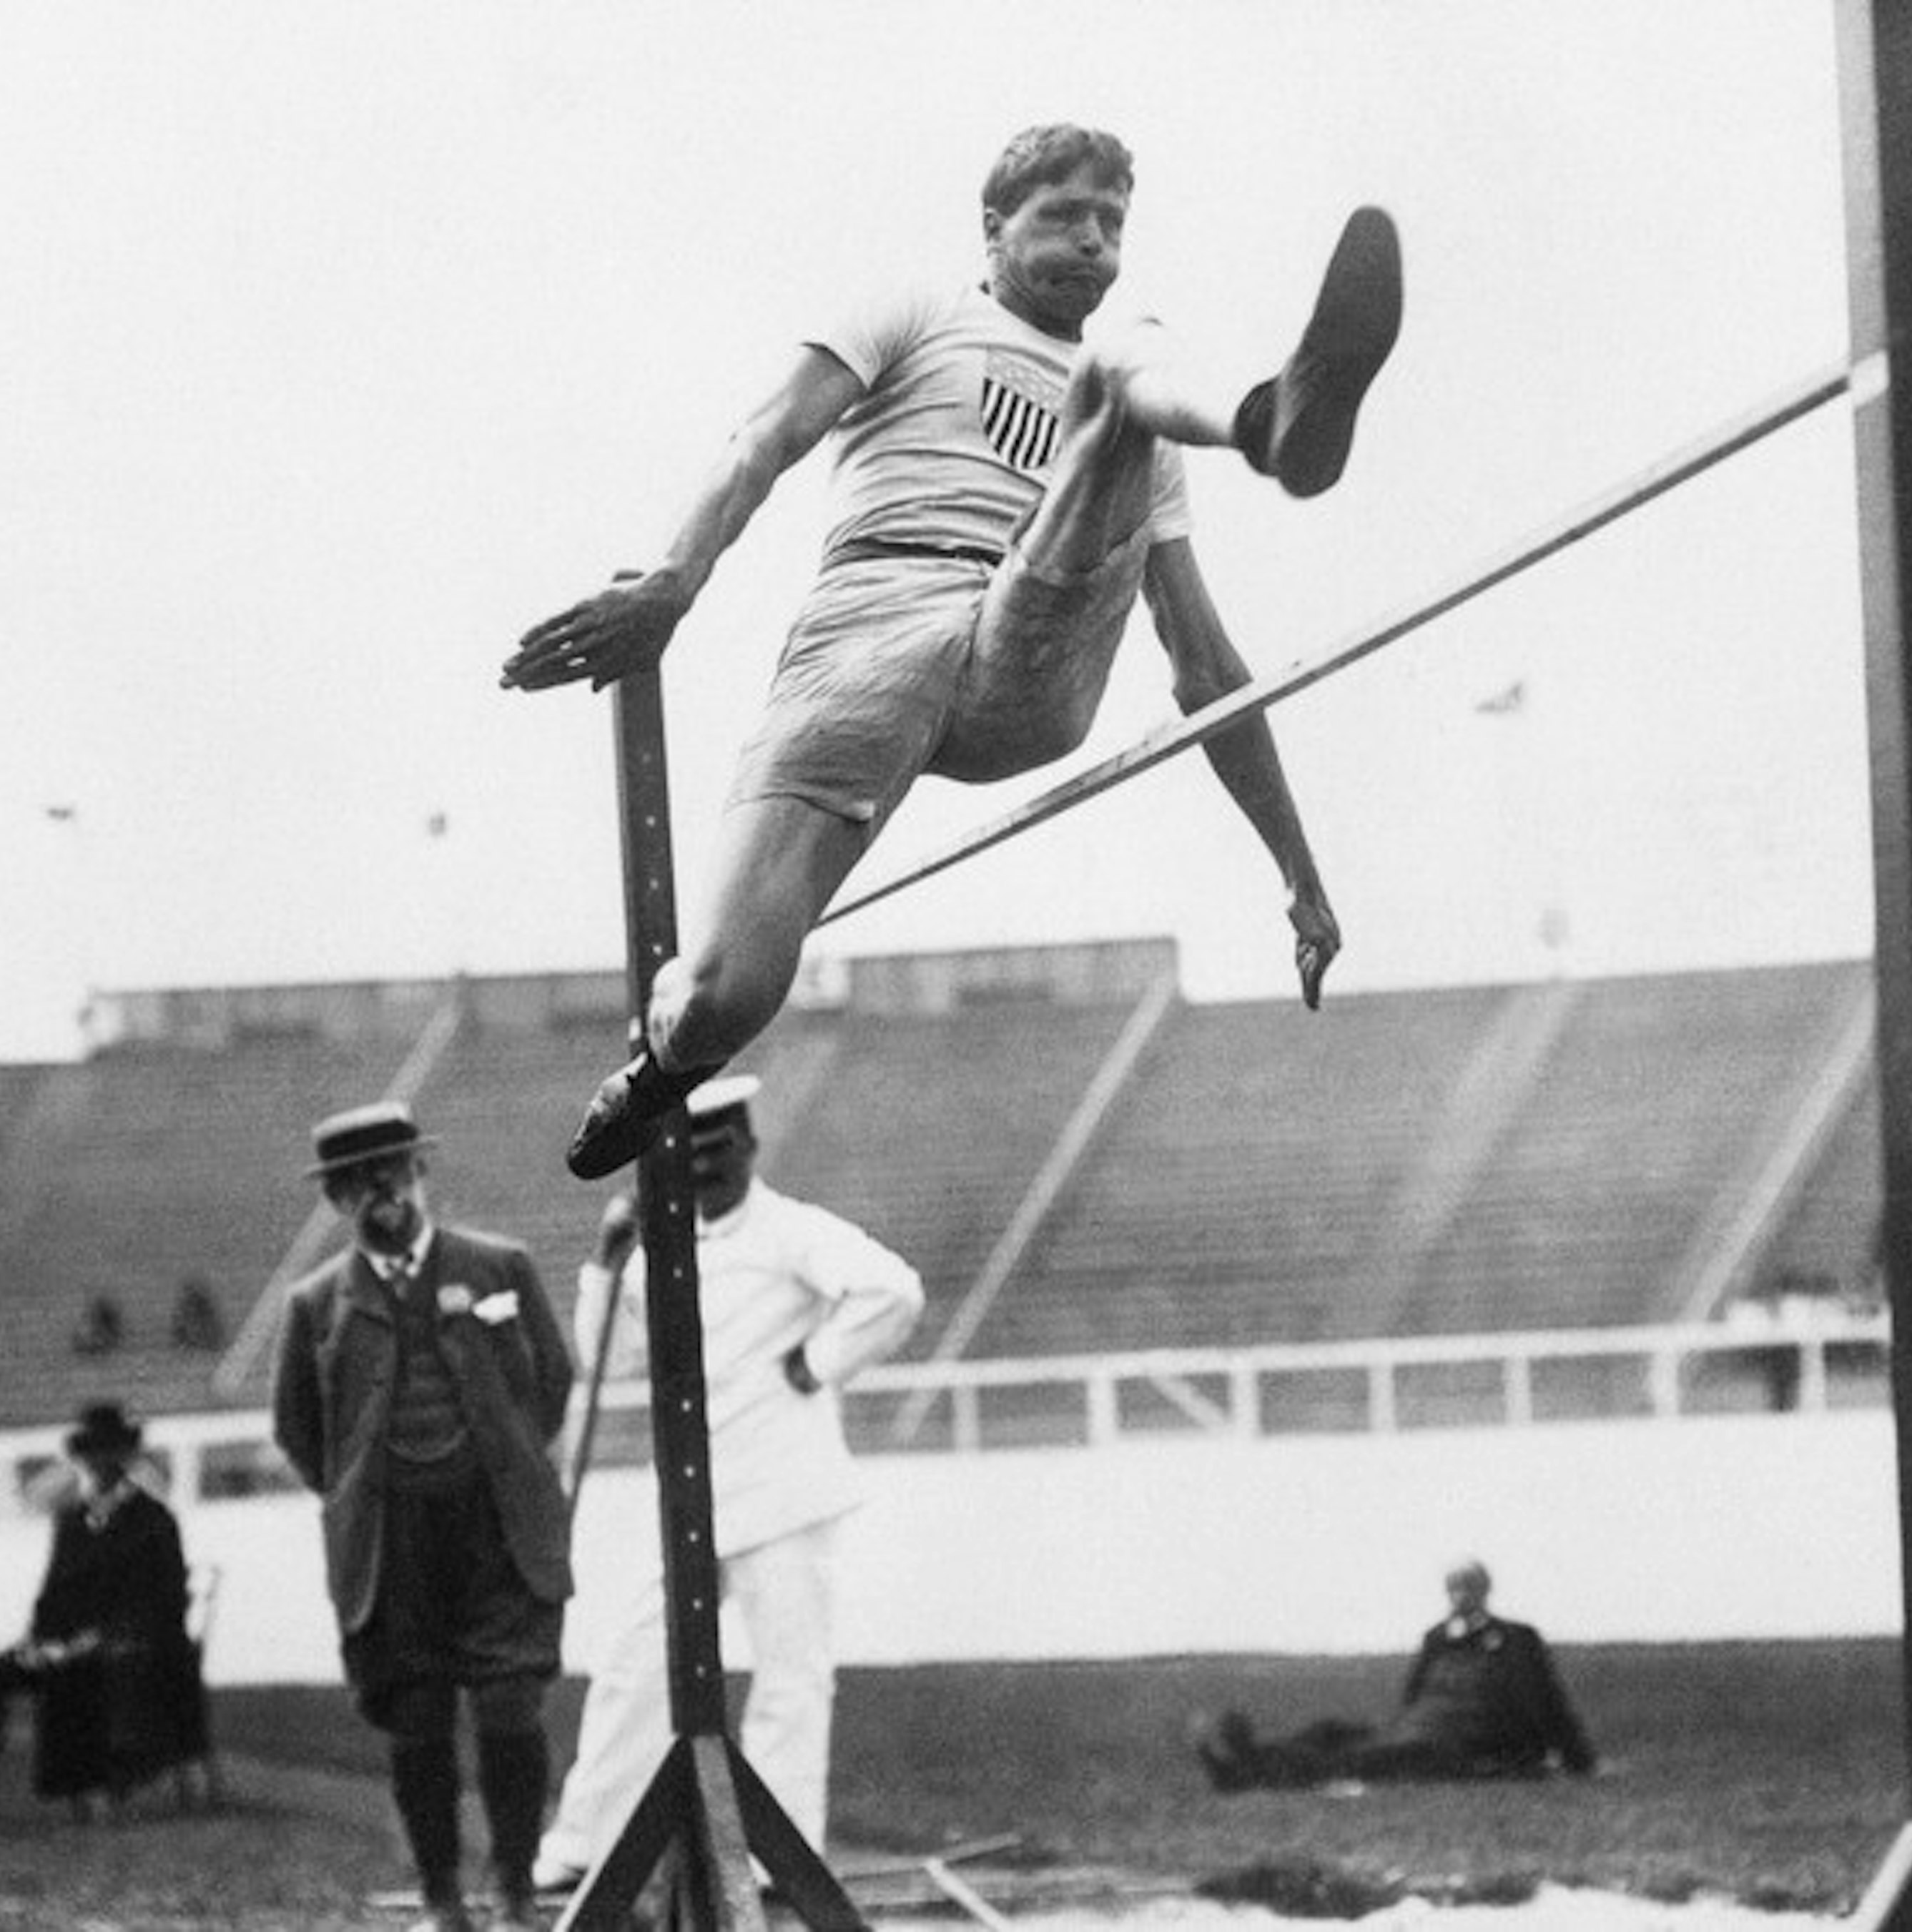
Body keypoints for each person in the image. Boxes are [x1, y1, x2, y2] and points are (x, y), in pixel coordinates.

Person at [501, 123, 1402, 1178]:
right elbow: (764, 442)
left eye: (1112, 223)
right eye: (1065, 216)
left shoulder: (1134, 408)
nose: (1094, 244)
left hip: (1028, 638)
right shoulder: (918, 313)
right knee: (717, 998)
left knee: (1122, 360)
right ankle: (659, 1071)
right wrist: (673, 583)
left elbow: (1204, 665)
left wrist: (1295, 866)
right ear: (993, 227)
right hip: (870, 626)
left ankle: (1267, 421)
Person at [532, 1075, 925, 1892]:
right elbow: (610, 1353)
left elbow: (893, 1289)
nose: (706, 1167)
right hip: (690, 1498)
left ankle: (780, 1854)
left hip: (785, 1493)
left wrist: (816, 1363)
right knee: (636, 1665)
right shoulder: (658, 1247)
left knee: (793, 1675)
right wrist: (606, 1264)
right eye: (691, 1151)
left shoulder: (794, 1231)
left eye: (720, 1149)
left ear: (748, 1145)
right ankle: (585, 1840)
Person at [272, 1100, 575, 1931]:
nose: (385, 1197)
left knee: (512, 1706)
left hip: (497, 1528)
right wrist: (365, 1493)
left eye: (395, 1176)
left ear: (421, 1174)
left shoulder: (499, 1267)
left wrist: (505, 1461)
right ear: (337, 1200)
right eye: (360, 1186)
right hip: (390, 1545)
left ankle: (515, 1886)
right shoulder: (314, 1305)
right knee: (417, 1721)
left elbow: (551, 1378)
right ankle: (443, 1898)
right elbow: (299, 1431)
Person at [0, 1402, 199, 1813]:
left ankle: (98, 1781)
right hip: (69, 1643)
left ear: (125, 1461)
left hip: (133, 1643)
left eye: (111, 1457)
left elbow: (165, 1598)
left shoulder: (153, 1520)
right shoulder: (72, 1523)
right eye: (95, 1457)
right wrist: (41, 1640)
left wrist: (103, 1636)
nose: (102, 1466)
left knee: (87, 1668)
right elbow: (53, 1594)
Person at [1192, 1559, 1597, 1788]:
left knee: (1360, 1760)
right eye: (1454, 1589)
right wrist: (1398, 1726)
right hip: (1419, 1730)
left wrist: (1577, 1758)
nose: (1459, 1597)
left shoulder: (1516, 1639)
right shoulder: (1438, 1638)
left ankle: (1244, 1774)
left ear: (1485, 1591)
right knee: (1330, 1732)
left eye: (1468, 1588)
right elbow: (1412, 1698)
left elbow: (1548, 1702)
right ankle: (1251, 1754)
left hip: (1467, 1745)